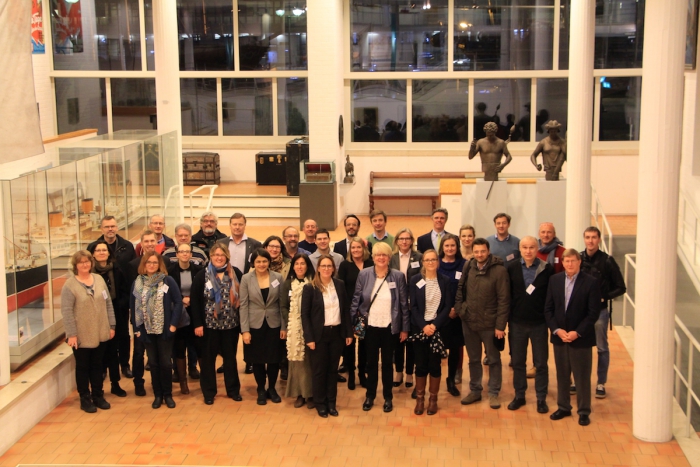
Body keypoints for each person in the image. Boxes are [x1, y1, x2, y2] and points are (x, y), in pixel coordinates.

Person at [544, 249, 602, 426]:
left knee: (582, 376)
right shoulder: (555, 280)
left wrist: (577, 332)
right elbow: (548, 309)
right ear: (562, 262)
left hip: (581, 338)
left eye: (573, 261)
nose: (569, 264)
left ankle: (584, 411)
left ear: (579, 262)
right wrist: (556, 330)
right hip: (560, 337)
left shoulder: (591, 283)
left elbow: (593, 313)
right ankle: (563, 407)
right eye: (566, 261)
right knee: (562, 374)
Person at [350, 242, 409, 413]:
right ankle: (370, 395)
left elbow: (403, 303)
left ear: (389, 258)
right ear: (373, 258)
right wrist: (353, 323)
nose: (381, 258)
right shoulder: (364, 274)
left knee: (388, 364)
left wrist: (404, 328)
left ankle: (388, 397)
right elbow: (356, 299)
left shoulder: (397, 276)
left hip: (390, 327)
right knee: (371, 363)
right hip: (370, 327)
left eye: (384, 255)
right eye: (378, 255)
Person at [456, 238, 510, 409]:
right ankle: (475, 390)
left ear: (488, 251)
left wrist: (500, 326)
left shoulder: (499, 271)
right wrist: (461, 309)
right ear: (473, 252)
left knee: (493, 359)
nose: (479, 254)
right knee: (473, 360)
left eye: (482, 251)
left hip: (490, 324)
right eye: (476, 251)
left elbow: (504, 300)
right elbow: (460, 289)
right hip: (469, 322)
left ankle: (493, 392)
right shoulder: (468, 266)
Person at [62, 250, 116, 413]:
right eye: (81, 262)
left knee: (97, 365)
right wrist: (72, 334)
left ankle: (98, 395)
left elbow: (108, 304)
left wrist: (111, 325)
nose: (85, 265)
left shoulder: (99, 279)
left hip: (100, 330)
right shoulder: (69, 286)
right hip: (81, 334)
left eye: (87, 261)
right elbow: (67, 311)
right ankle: (85, 398)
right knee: (83, 367)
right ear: (75, 265)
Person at [505, 236, 554, 414]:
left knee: (541, 363)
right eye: (524, 247)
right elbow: (507, 296)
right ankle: (519, 396)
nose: (528, 251)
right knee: (518, 362)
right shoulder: (511, 268)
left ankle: (541, 398)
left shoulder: (546, 269)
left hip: (539, 324)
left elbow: (551, 297)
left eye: (532, 247)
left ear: (537, 248)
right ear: (520, 249)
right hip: (517, 323)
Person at [190, 244, 243, 405]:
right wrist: (198, 324)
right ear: (211, 257)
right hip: (209, 327)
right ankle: (209, 392)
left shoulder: (236, 273)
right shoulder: (202, 275)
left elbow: (242, 299)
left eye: (222, 255)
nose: (219, 257)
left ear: (227, 256)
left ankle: (233, 390)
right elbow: (195, 301)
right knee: (207, 361)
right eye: (215, 255)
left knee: (230, 360)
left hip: (231, 326)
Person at [301, 255, 354, 417]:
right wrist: (309, 338)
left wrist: (348, 332)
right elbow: (305, 315)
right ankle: (320, 403)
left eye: (329, 266)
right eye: (323, 266)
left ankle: (331, 403)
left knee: (332, 371)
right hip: (318, 336)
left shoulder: (339, 285)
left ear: (333, 268)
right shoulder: (310, 288)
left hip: (336, 333)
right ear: (318, 268)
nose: (326, 269)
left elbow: (345, 310)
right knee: (319, 371)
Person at [130, 252, 183, 409]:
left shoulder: (167, 280)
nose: (152, 265)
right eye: (149, 262)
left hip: (164, 330)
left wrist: (173, 324)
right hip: (146, 330)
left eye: (154, 262)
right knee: (153, 363)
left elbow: (178, 302)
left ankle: (168, 394)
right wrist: (136, 329)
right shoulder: (138, 283)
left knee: (166, 363)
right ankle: (158, 395)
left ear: (159, 264)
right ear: (144, 264)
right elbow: (133, 308)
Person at [579, 226, 626, 399]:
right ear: (584, 239)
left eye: (594, 237)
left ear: (599, 239)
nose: (590, 241)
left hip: (599, 313)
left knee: (601, 348)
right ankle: (578, 381)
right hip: (580, 313)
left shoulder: (608, 261)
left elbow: (621, 287)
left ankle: (601, 382)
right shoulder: (578, 258)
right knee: (579, 347)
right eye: (587, 237)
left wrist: (603, 297)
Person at [87, 215, 135, 378]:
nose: (110, 229)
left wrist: (125, 301)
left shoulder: (127, 247)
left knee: (122, 335)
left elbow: (130, 275)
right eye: (107, 226)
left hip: (119, 302)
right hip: (98, 305)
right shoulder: (92, 247)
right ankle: (103, 367)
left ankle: (124, 364)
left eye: (113, 226)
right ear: (101, 229)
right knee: (103, 336)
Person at [408, 249, 453, 415]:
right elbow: (413, 306)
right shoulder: (415, 280)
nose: (431, 262)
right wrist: (424, 326)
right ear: (423, 262)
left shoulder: (445, 281)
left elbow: (448, 306)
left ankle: (433, 399)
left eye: (433, 259)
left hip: (438, 328)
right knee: (420, 364)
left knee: (435, 365)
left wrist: (434, 325)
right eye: (427, 260)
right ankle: (420, 399)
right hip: (420, 328)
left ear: (438, 262)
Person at [240, 249, 286, 405]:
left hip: (274, 324)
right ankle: (260, 389)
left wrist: (284, 327)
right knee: (257, 359)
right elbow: (243, 305)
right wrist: (245, 330)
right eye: (258, 261)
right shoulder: (246, 279)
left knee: (274, 359)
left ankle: (272, 388)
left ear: (269, 262)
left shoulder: (278, 277)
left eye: (264, 261)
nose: (261, 264)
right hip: (255, 325)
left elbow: (282, 304)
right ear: (253, 263)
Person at [90, 240, 130, 398]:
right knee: (99, 351)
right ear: (93, 254)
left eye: (104, 250)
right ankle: (98, 385)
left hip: (116, 313)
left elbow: (125, 291)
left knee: (113, 350)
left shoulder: (117, 270)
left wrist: (118, 306)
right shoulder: (90, 273)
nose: (101, 253)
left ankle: (115, 383)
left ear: (108, 253)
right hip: (96, 316)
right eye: (98, 250)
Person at [166, 243, 204, 396]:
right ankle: (183, 382)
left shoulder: (199, 271)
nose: (184, 254)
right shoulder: (169, 272)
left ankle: (204, 380)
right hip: (178, 314)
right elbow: (168, 293)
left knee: (198, 346)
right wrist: (182, 299)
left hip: (195, 313)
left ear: (191, 254)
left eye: (187, 252)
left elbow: (202, 291)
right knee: (179, 348)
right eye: (181, 251)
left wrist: (190, 300)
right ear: (177, 254)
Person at [337, 237, 374, 390]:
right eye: (353, 248)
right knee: (349, 344)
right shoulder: (345, 265)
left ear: (363, 249)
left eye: (358, 247)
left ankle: (361, 374)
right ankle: (351, 374)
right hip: (350, 310)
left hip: (367, 311)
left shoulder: (370, 264)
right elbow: (341, 287)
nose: (356, 250)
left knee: (364, 344)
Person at [280, 253, 316, 409]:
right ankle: (300, 394)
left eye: (303, 263)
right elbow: (282, 306)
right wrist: (290, 322)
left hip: (311, 328)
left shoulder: (314, 283)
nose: (300, 266)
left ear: (307, 266)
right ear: (293, 267)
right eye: (297, 264)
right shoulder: (287, 284)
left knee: (310, 362)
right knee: (297, 363)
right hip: (294, 328)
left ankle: (311, 394)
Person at [389, 228, 422, 390]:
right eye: (401, 239)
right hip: (395, 304)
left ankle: (410, 372)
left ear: (412, 241)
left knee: (411, 340)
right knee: (398, 339)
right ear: (396, 241)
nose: (404, 241)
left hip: (413, 304)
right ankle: (399, 371)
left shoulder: (419, 257)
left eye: (407, 239)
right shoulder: (392, 258)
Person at [127, 230, 159, 396]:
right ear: (141, 243)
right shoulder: (134, 265)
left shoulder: (164, 262)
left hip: (158, 320)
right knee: (139, 352)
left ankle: (157, 383)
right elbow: (132, 296)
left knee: (157, 354)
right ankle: (138, 382)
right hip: (140, 319)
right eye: (146, 241)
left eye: (152, 241)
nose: (149, 244)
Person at [437, 234, 466, 398]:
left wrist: (456, 309)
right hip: (439, 314)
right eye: (447, 246)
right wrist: (443, 311)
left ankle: (451, 380)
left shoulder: (464, 265)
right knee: (436, 349)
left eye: (453, 246)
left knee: (455, 348)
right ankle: (435, 379)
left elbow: (465, 289)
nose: (450, 249)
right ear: (442, 248)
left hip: (456, 315)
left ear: (457, 247)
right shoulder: (437, 264)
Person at [264, 235, 291, 380]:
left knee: (283, 338)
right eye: (271, 246)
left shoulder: (288, 264)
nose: (274, 249)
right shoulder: (259, 262)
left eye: (277, 247)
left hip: (284, 305)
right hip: (265, 307)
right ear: (265, 248)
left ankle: (284, 366)